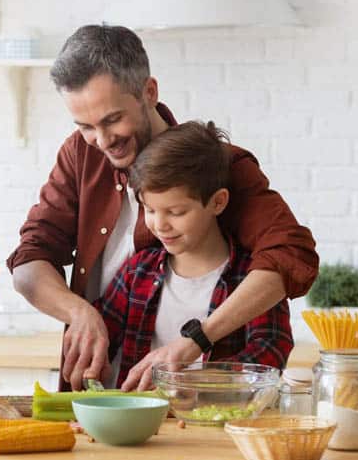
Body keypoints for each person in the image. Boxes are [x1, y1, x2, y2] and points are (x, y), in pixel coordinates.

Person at [6, 25, 318, 390]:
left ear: (149, 92)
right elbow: (28, 261)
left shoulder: (215, 165)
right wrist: (79, 312)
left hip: (200, 404)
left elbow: (290, 253)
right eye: (85, 126)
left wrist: (197, 342)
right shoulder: (80, 153)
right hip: (106, 394)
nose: (102, 141)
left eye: (112, 120)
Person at [98, 121, 293, 391]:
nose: (159, 225)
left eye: (176, 212)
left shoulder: (252, 279)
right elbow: (101, 338)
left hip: (217, 423)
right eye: (150, 210)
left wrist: (193, 382)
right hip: (140, 424)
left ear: (218, 202)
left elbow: (271, 352)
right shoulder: (136, 272)